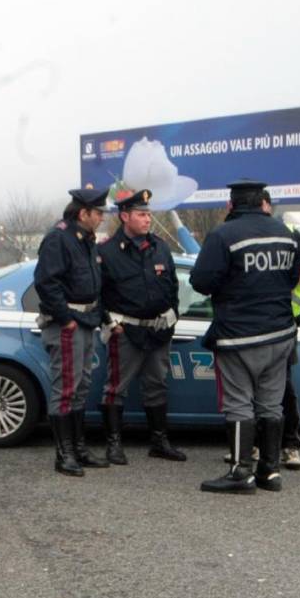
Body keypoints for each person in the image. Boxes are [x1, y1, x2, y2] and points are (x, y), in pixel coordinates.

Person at [190, 180, 300, 494]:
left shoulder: (224, 235)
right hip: (280, 333)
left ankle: (241, 473)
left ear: (231, 204)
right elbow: (292, 278)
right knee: (271, 405)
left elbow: (200, 281)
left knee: (238, 405)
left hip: (240, 335)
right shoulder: (284, 233)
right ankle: (270, 471)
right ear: (261, 202)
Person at [97, 187, 186, 465]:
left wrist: (172, 316)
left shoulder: (160, 247)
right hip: (125, 331)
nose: (147, 219)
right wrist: (110, 323)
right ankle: (114, 445)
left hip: (158, 332)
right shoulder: (108, 251)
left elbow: (172, 285)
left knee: (157, 385)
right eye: (141, 214)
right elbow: (97, 293)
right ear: (125, 216)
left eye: (149, 214)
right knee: (115, 387)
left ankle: (159, 442)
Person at [34, 187, 108, 477]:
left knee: (81, 386)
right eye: (98, 212)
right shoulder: (58, 238)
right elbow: (46, 282)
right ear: (83, 213)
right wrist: (66, 319)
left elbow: (94, 280)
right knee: (65, 388)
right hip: (68, 323)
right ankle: (63, 454)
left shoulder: (86, 239)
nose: (102, 217)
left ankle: (78, 448)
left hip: (87, 320)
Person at [263, 189, 300, 470]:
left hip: (285, 322)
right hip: (251, 323)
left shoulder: (289, 231)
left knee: (284, 387)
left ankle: (290, 445)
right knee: (249, 389)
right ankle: (250, 445)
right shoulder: (234, 231)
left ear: (266, 205)